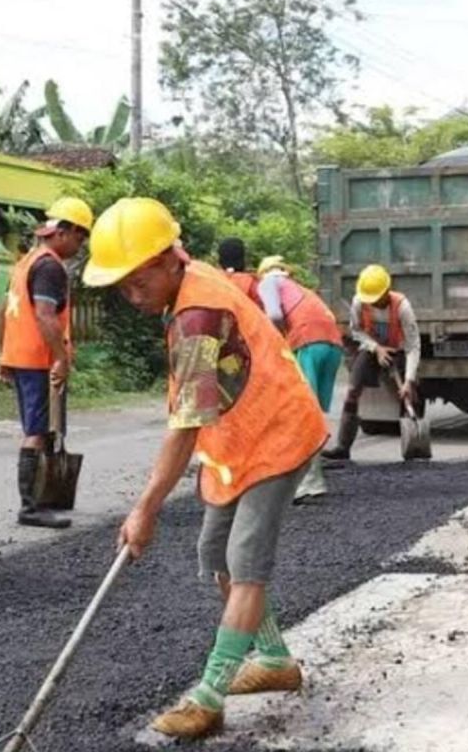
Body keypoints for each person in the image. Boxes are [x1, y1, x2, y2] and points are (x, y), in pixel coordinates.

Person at [82, 198, 328, 740]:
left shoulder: (197, 312)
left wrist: (145, 508)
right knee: (214, 556)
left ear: (169, 258)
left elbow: (184, 425)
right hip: (237, 443)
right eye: (120, 285)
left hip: (277, 435)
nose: (131, 294)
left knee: (245, 564)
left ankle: (209, 696)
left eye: (136, 279)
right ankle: (274, 661)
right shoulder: (190, 278)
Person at [0, 197, 94, 529]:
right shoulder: (50, 266)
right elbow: (45, 315)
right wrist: (61, 358)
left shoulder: (27, 261)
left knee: (45, 426)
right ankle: (30, 506)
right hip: (39, 360)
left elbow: (4, 310)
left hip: (22, 356)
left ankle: (46, 495)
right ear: (63, 231)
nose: (80, 247)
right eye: (80, 238)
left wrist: (3, 354)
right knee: (37, 430)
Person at [256, 255, 344, 500]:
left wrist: (272, 343)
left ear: (264, 272)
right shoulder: (301, 289)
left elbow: (273, 315)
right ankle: (308, 476)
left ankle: (311, 482)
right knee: (312, 412)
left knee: (302, 414)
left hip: (308, 343)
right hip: (332, 345)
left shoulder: (268, 283)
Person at [322, 264, 420, 462]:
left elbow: (413, 346)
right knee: (353, 390)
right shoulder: (360, 302)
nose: (374, 303)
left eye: (377, 298)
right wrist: (376, 348)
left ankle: (412, 447)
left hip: (399, 350)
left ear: (386, 291)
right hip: (371, 349)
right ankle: (343, 446)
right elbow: (356, 331)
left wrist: (409, 380)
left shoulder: (402, 306)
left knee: (408, 393)